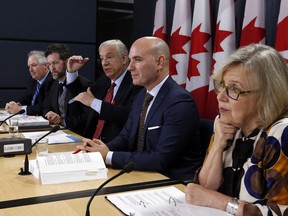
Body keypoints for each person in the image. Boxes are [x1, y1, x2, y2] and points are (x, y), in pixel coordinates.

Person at [75, 36, 203, 180]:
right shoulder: (142, 95)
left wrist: (109, 156)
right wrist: (100, 149)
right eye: (130, 60)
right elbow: (126, 136)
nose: (130, 67)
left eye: (138, 59)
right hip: (143, 174)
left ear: (159, 62)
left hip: (171, 182)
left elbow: (161, 159)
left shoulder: (179, 102)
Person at [185, 44, 288, 215]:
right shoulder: (228, 122)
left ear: (266, 95)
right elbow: (202, 191)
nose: (220, 96)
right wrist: (218, 144)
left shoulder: (281, 133)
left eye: (234, 89)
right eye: (222, 85)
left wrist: (219, 201)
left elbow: (280, 212)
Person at [66, 39, 142, 140]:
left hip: (115, 147)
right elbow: (83, 97)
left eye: (109, 57)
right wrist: (72, 72)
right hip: (89, 141)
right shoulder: (104, 80)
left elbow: (126, 115)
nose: (104, 63)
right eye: (101, 58)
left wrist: (93, 102)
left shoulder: (136, 82)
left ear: (124, 59)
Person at [43, 43, 92, 136]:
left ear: (66, 62)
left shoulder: (85, 84)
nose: (52, 68)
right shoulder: (52, 84)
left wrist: (62, 121)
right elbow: (45, 107)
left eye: (55, 63)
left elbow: (88, 117)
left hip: (78, 137)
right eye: (49, 64)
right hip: (57, 134)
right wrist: (49, 114)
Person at [5, 50, 53, 116]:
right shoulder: (33, 79)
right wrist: (14, 104)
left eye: (33, 65)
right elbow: (27, 96)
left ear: (45, 65)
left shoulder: (52, 80)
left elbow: (45, 107)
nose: (30, 70)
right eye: (29, 66)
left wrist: (20, 109)